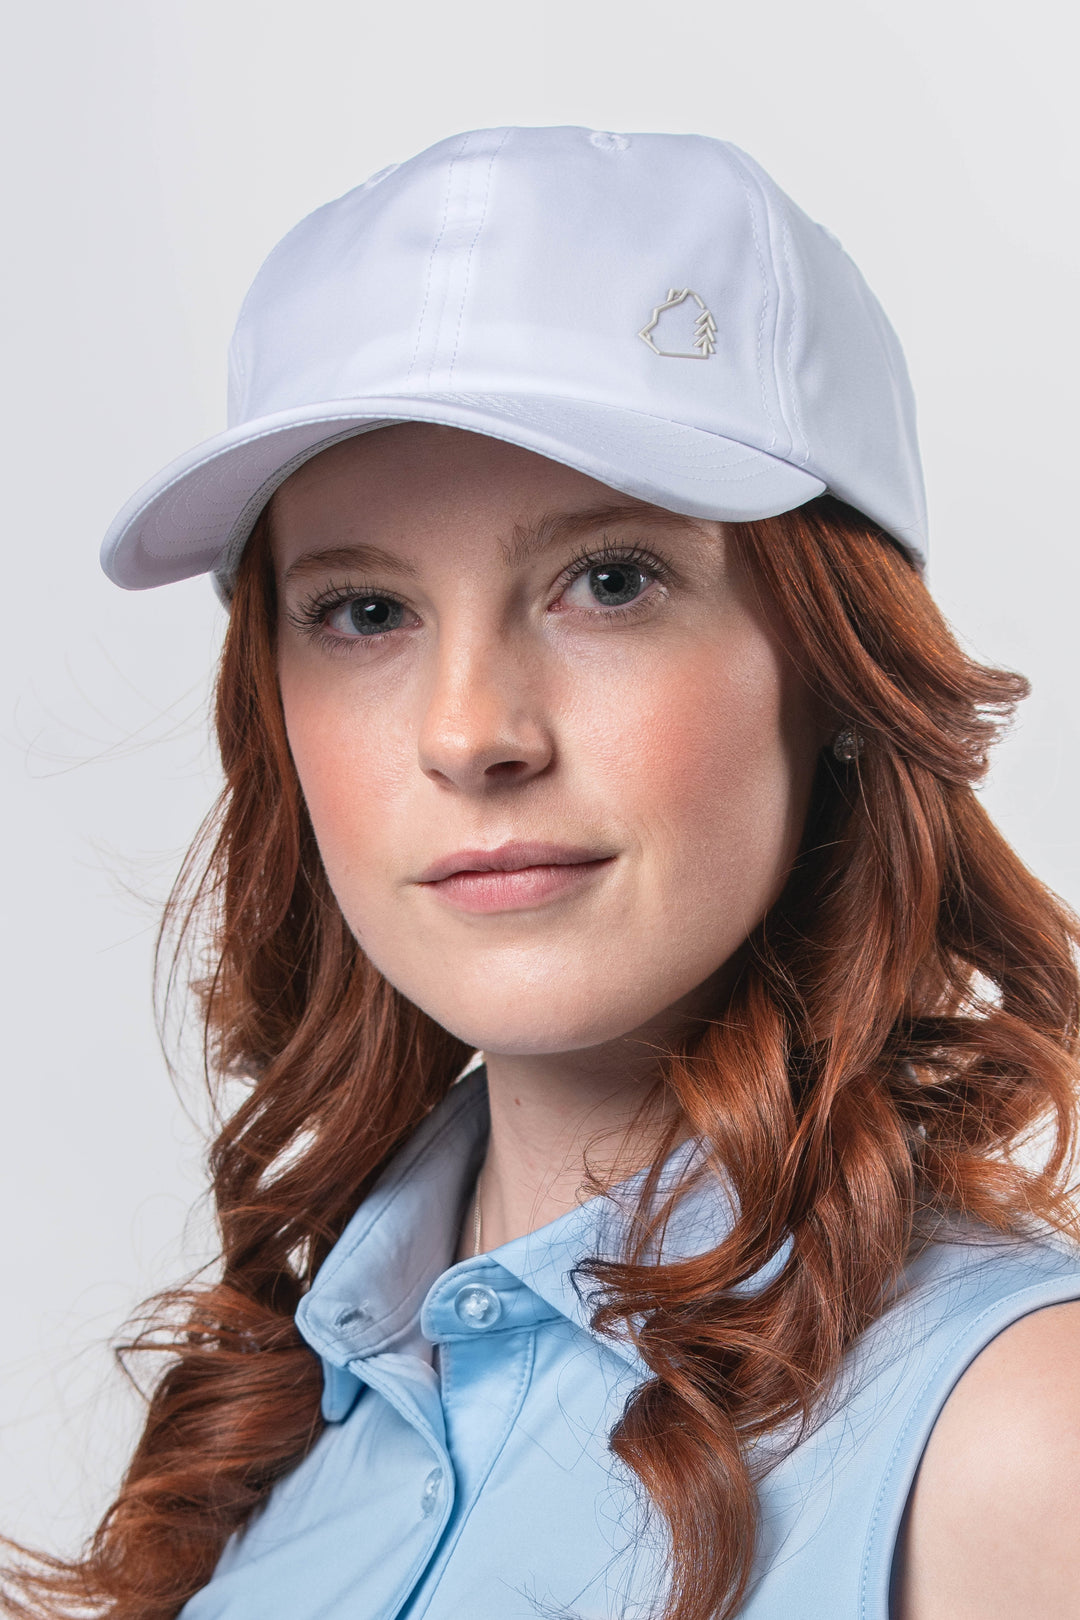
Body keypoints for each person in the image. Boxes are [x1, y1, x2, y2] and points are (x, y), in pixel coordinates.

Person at [5, 125, 1080, 1620]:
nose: (469, 734)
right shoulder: (282, 1412)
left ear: (837, 665)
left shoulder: (1018, 1443)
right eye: (364, 610)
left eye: (611, 581)